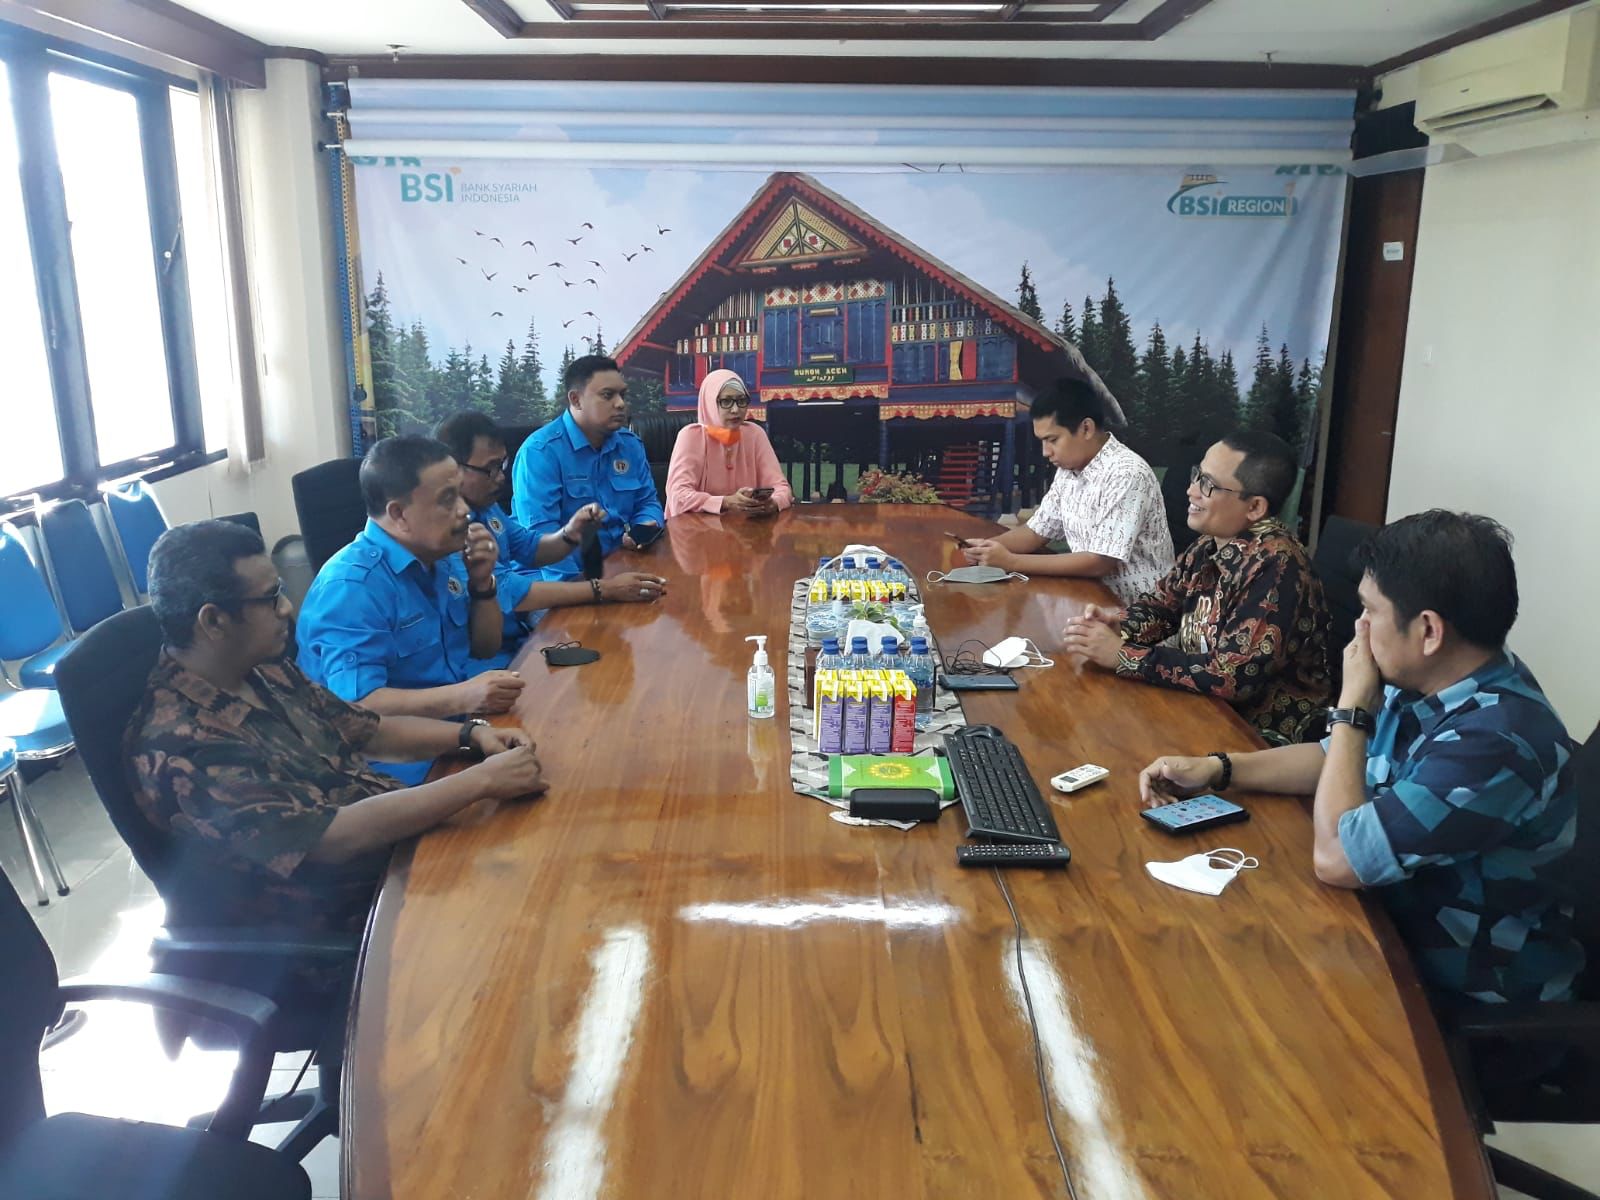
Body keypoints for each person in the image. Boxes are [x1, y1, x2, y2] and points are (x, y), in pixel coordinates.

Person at [1138, 511, 1583, 1006]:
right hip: (1374, 927)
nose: (1359, 626)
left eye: (1370, 611)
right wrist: (1219, 769)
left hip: (1455, 989)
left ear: (1429, 631)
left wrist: (1351, 709)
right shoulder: (1429, 678)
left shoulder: (1497, 741)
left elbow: (1338, 859)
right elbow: (1336, 759)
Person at [127, 520, 546, 937]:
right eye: (270, 599)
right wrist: (480, 781)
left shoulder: (261, 670)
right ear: (214, 621)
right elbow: (333, 838)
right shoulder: (184, 744)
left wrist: (471, 737)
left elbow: (366, 730)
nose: (286, 608)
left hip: (400, 857)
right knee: (529, 913)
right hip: (341, 926)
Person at [1062, 430, 1332, 745]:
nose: (1191, 490)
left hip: (1259, 736)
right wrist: (1120, 624)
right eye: (1197, 475)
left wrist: (1124, 656)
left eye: (1208, 484)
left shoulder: (1278, 567)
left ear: (1255, 507)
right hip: (1203, 706)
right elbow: (1164, 607)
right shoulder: (1210, 543)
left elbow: (1232, 677)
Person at [296, 436, 523, 784]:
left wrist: (482, 584)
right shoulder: (352, 588)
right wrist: (463, 697)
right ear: (398, 514)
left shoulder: (442, 555)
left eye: (460, 494)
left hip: (458, 730)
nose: (464, 509)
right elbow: (358, 707)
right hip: (390, 764)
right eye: (447, 499)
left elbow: (485, 648)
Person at [435, 410, 668, 631]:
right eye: (490, 469)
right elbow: (507, 589)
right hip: (496, 644)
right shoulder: (447, 529)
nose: (501, 477)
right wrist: (603, 589)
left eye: (502, 464)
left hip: (512, 634)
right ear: (453, 469)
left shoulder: (487, 508)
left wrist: (570, 533)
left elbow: (530, 546)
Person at [960, 377, 1172, 604]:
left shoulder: (1127, 473)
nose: (1045, 452)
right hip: (1087, 597)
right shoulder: (1068, 470)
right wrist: (987, 549)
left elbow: (1100, 562)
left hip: (1138, 609)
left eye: (1052, 440)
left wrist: (1010, 562)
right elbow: (1036, 532)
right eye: (1042, 441)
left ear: (1086, 429)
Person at [510, 354, 664, 580]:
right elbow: (542, 539)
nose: (620, 404)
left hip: (619, 564)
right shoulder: (540, 452)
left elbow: (647, 502)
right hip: (553, 579)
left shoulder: (630, 445)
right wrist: (592, 591)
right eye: (607, 395)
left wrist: (644, 528)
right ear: (576, 400)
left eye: (622, 395)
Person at [663, 369, 792, 519]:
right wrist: (725, 502)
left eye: (741, 401)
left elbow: (782, 488)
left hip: (745, 530)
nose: (735, 409)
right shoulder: (691, 436)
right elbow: (678, 496)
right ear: (710, 403)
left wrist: (774, 502)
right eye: (726, 401)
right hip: (696, 529)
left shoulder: (755, 434)